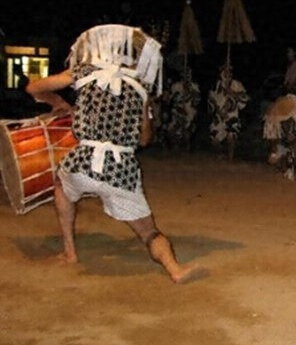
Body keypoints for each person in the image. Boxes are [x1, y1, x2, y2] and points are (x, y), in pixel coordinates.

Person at [25, 24, 205, 284]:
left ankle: (70, 252)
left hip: (82, 164)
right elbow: (144, 139)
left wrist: (59, 103)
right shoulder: (140, 86)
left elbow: (34, 88)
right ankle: (174, 269)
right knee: (149, 232)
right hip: (122, 172)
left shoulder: (83, 71)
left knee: (61, 187)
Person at [208, 64, 249, 161]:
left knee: (231, 136)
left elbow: (245, 98)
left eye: (229, 71)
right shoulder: (216, 85)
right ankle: (221, 154)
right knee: (214, 139)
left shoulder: (237, 84)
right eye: (225, 71)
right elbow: (211, 100)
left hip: (232, 116)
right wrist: (219, 111)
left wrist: (232, 93)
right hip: (219, 116)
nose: (227, 74)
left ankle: (230, 158)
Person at [167, 67, 201, 151]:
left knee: (187, 129)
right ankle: (175, 146)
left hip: (189, 111)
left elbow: (197, 101)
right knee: (171, 129)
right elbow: (170, 99)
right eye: (185, 74)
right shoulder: (176, 86)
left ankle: (188, 147)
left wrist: (190, 93)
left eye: (188, 74)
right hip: (177, 110)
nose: (187, 76)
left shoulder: (194, 86)